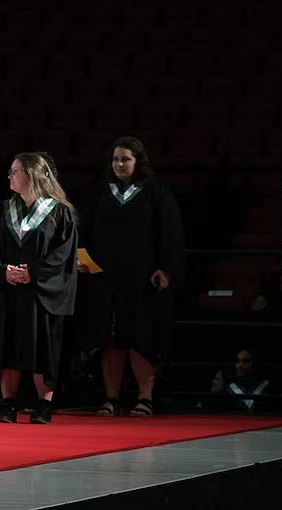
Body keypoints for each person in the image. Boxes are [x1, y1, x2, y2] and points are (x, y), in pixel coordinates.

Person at [78, 137, 184, 418]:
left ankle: (145, 398)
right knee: (110, 338)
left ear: (139, 162)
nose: (119, 164)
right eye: (115, 159)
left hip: (142, 280)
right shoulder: (100, 192)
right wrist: (81, 258)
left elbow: (170, 233)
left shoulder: (155, 192)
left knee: (140, 338)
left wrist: (166, 268)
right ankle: (111, 398)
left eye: (125, 159)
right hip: (104, 279)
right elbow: (84, 230)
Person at [0, 152, 78, 425]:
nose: (9, 176)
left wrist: (32, 273)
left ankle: (43, 405)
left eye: (15, 171)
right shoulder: (1, 211)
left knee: (42, 347)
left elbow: (62, 257)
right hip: (9, 291)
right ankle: (7, 404)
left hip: (41, 294)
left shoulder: (59, 213)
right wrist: (4, 271)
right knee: (8, 345)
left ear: (32, 175)